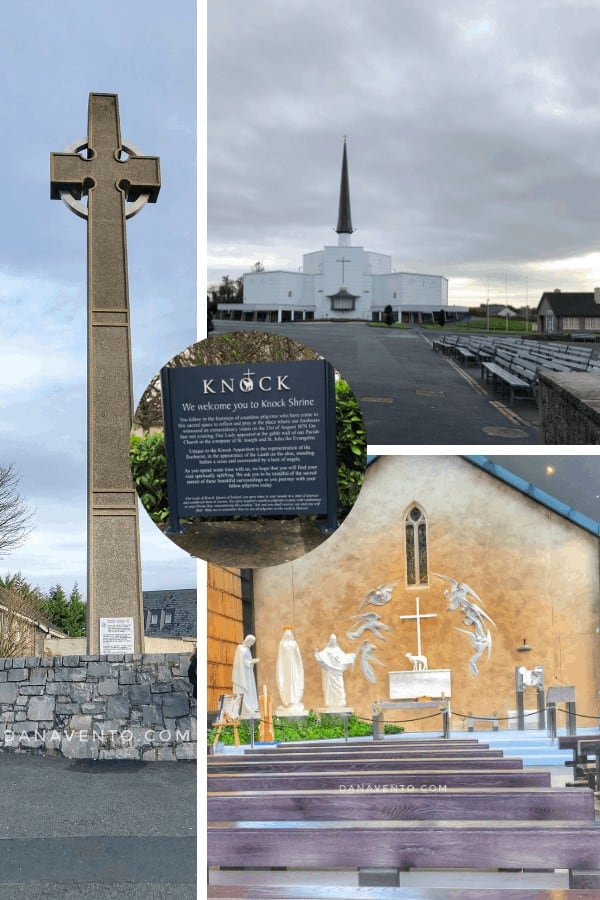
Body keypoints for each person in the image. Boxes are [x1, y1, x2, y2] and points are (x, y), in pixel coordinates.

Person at [314, 634, 355, 709]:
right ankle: (330, 703)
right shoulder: (326, 651)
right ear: (330, 641)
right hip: (330, 674)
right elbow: (321, 658)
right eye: (332, 640)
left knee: (340, 686)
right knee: (329, 688)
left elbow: (344, 658)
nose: (333, 641)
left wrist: (351, 657)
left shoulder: (338, 650)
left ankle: (340, 703)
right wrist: (317, 654)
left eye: (334, 640)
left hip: (337, 674)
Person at [275, 627, 305, 714]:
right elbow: (280, 657)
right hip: (285, 667)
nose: (288, 635)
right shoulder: (282, 643)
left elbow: (298, 657)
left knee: (294, 682)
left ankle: (295, 699)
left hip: (294, 666)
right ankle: (288, 700)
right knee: (287, 683)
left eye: (289, 634)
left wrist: (298, 667)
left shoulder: (294, 643)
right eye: (287, 634)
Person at [232, 634, 260, 718]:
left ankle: (251, 707)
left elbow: (246, 661)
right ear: (247, 640)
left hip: (248, 674)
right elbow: (240, 662)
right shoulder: (240, 648)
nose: (252, 644)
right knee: (244, 690)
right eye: (251, 642)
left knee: (250, 689)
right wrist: (250, 662)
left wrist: (252, 662)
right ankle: (246, 708)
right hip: (242, 675)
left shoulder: (247, 649)